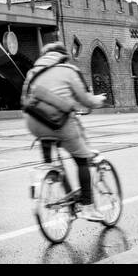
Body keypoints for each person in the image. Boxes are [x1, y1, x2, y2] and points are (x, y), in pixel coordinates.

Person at [22, 40, 107, 218]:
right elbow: (85, 99)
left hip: (33, 121)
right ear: (63, 56)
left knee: (53, 162)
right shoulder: (68, 70)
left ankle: (54, 177)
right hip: (58, 121)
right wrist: (97, 100)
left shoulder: (32, 72)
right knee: (82, 159)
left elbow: (25, 99)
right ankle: (87, 206)